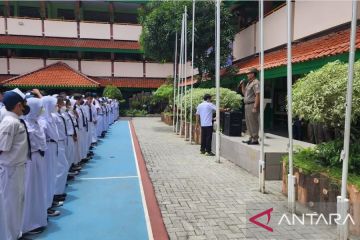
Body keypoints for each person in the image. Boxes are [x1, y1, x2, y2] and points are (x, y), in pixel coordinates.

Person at [0, 88, 30, 240]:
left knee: (17, 202)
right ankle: (10, 236)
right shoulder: (10, 123)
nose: (25, 108)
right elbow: (2, 148)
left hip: (17, 167)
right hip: (10, 169)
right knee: (10, 205)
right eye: (23, 105)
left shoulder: (15, 121)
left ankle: (16, 233)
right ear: (18, 105)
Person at [22, 95, 48, 235]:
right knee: (30, 191)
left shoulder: (36, 122)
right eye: (39, 107)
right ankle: (28, 224)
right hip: (30, 160)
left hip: (39, 158)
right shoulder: (24, 124)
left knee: (38, 190)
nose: (42, 110)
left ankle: (38, 218)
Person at [239, 67, 260, 145]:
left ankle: (255, 139)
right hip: (247, 105)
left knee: (253, 122)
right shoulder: (249, 83)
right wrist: (242, 85)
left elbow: (258, 95)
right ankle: (251, 137)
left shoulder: (256, 82)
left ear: (253, 74)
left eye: (248, 73)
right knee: (248, 122)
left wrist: (255, 106)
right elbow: (245, 94)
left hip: (252, 104)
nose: (247, 75)